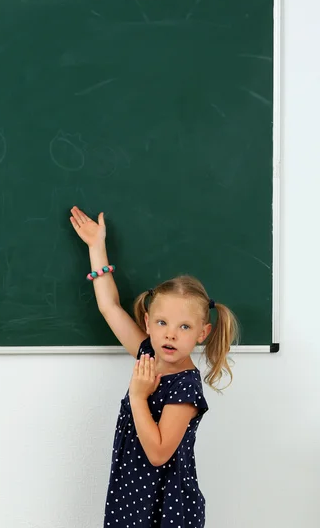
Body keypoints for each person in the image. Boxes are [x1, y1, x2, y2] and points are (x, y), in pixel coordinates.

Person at [69, 206, 238, 528]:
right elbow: (109, 307)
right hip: (133, 496)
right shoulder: (148, 354)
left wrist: (138, 397)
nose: (170, 333)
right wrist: (96, 246)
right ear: (147, 323)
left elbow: (159, 453)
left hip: (166, 507)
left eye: (184, 327)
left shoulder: (185, 387)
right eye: (162, 322)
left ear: (203, 333)